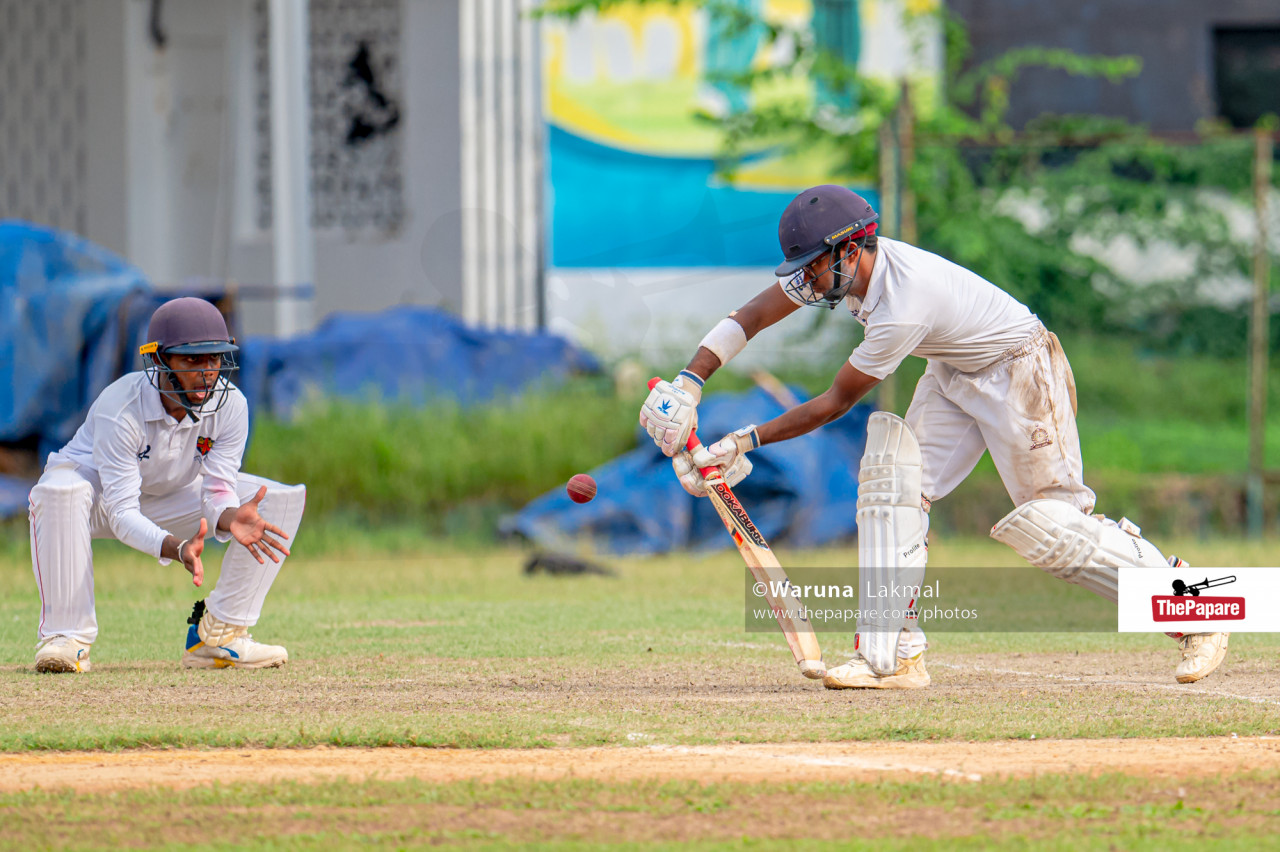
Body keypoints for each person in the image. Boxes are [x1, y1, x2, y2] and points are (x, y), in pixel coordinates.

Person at [639, 184, 1228, 690]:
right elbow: (753, 315)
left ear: (848, 250)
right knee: (893, 492)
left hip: (1019, 368)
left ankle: (1199, 609)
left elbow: (835, 401)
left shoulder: (903, 303)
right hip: (954, 371)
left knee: (1054, 524)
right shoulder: (837, 270)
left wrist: (742, 441)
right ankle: (895, 655)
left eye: (812, 265)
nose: (805, 280)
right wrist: (691, 382)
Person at [28, 297, 305, 673]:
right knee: (60, 490)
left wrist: (230, 518)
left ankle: (218, 635)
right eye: (193, 360)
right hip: (94, 500)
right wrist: (176, 549)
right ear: (159, 360)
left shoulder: (232, 406)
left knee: (280, 500)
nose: (208, 372)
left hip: (167, 497)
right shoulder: (120, 408)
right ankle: (66, 638)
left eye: (215, 358)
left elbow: (218, 489)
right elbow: (122, 511)